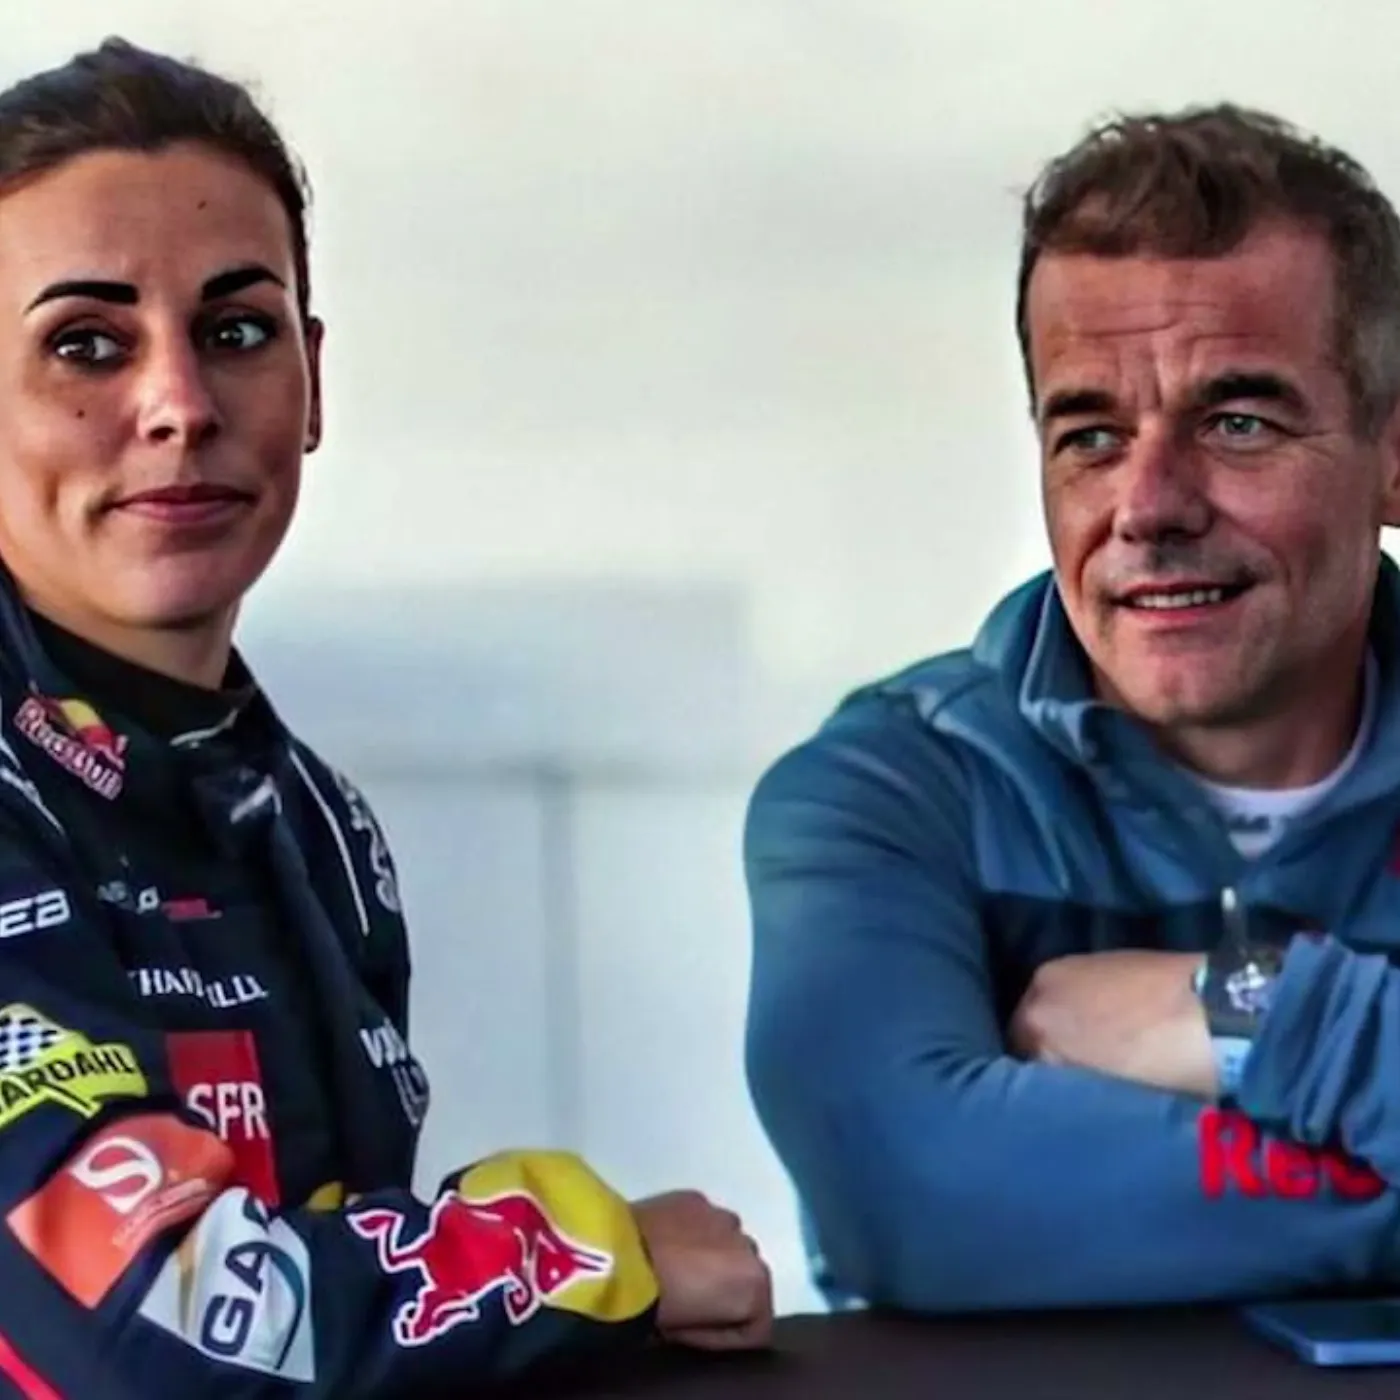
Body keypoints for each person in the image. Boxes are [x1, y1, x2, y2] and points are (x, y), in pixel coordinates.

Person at [0, 36, 771, 1397]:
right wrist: (587, 1248)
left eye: (238, 331)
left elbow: (322, 1289)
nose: (179, 404)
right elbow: (153, 1334)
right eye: (87, 345)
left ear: (312, 382)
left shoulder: (316, 820)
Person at [744, 103, 1400, 1314]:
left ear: (1389, 454)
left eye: (1236, 422)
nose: (1147, 506)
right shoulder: (890, 793)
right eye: (1090, 435)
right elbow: (917, 1199)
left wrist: (1256, 1011)